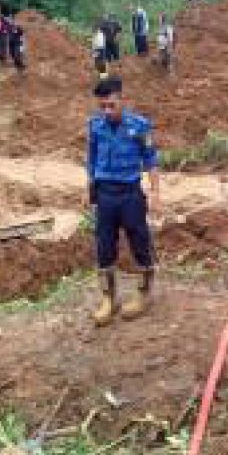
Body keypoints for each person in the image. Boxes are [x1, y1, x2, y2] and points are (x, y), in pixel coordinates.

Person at [86, 76, 161, 326]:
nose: (107, 111)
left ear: (121, 99)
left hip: (130, 193)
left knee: (140, 242)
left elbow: (150, 159)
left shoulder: (140, 126)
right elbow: (91, 159)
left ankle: (144, 293)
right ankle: (109, 298)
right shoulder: (95, 126)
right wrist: (89, 190)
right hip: (105, 194)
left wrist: (156, 193)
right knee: (104, 246)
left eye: (111, 105)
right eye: (103, 106)